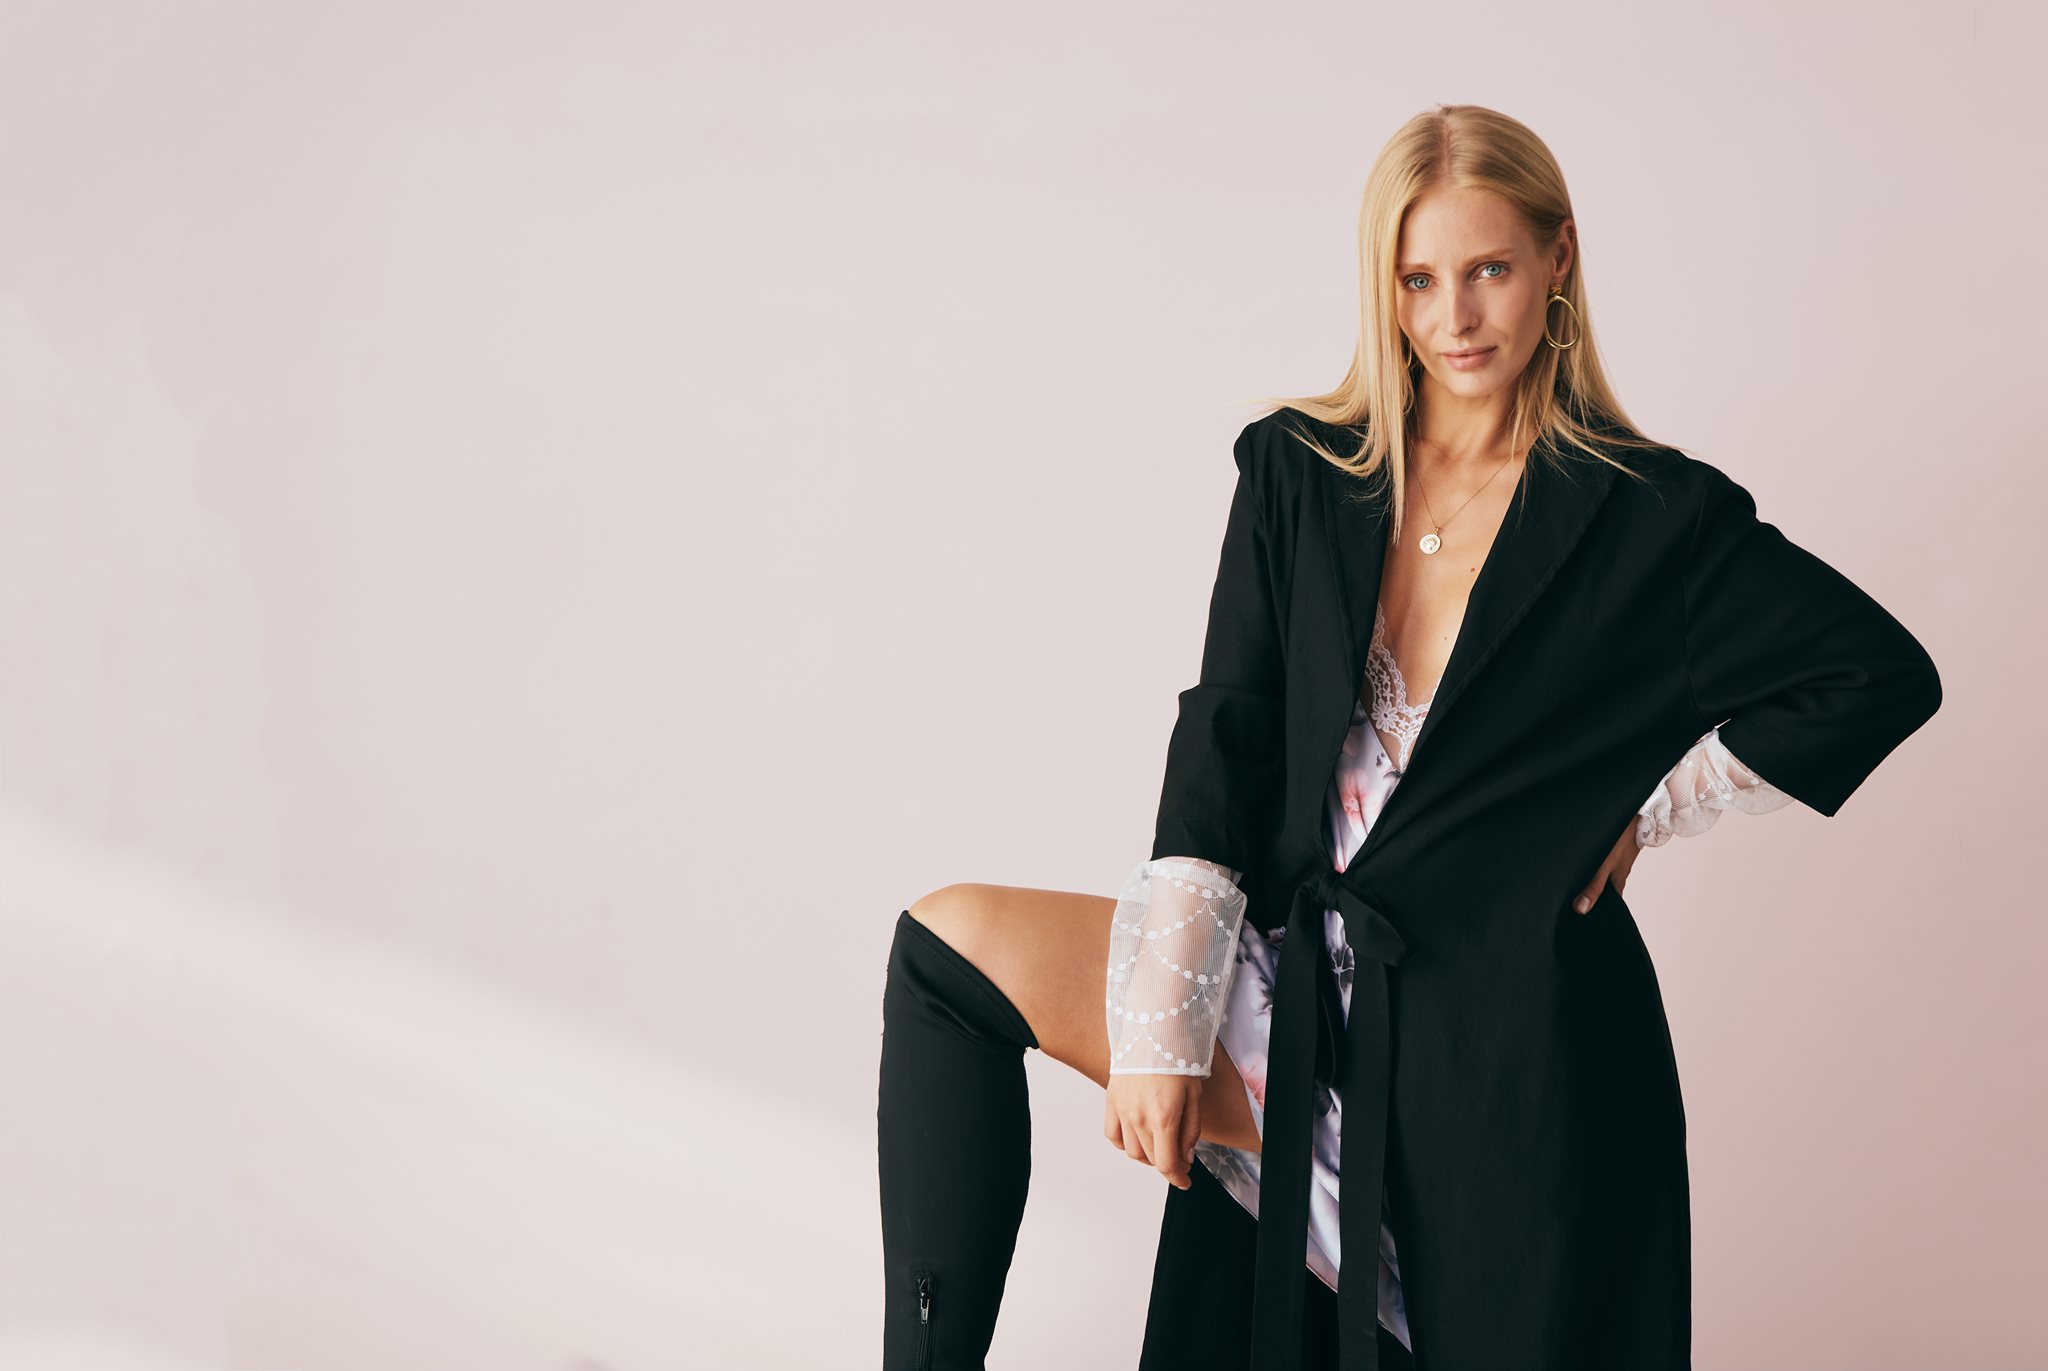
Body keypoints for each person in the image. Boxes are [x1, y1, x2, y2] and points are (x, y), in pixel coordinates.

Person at [876, 103, 1941, 1371]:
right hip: (1288, 985)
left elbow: (1876, 673)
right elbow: (1225, 739)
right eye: (1418, 279)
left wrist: (1650, 806)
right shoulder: (1298, 473)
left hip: (1510, 1043)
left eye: (1488, 269)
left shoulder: (1652, 517)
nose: (1455, 318)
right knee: (948, 950)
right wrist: (1163, 1029)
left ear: (1557, 258)